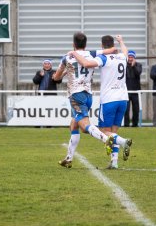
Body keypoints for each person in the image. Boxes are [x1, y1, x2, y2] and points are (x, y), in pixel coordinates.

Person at [54, 32, 130, 169]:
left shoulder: (66, 58)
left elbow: (56, 78)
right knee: (75, 124)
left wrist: (64, 68)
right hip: (89, 95)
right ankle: (69, 158)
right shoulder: (93, 53)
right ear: (85, 44)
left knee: (88, 126)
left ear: (73, 44)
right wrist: (120, 42)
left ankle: (107, 139)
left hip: (77, 95)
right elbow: (113, 50)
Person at [124, 50, 142, 127]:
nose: (130, 59)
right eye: (129, 57)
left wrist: (133, 66)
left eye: (132, 57)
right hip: (126, 91)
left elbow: (138, 73)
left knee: (136, 109)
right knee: (126, 110)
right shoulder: (124, 65)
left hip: (136, 91)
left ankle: (135, 124)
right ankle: (126, 124)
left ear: (134, 58)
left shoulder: (139, 65)